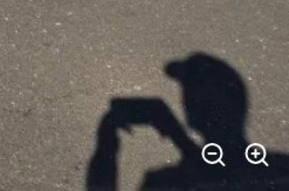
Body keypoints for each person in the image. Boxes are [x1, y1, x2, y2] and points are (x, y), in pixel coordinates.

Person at [87, 53, 289, 190]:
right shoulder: (281, 171)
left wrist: (107, 137)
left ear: (191, 115)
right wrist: (182, 142)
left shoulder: (167, 184)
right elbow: (226, 172)